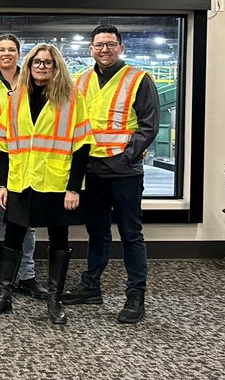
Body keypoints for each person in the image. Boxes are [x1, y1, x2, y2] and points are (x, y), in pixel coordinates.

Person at [0, 44, 93, 325]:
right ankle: (4, 296)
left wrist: (74, 188)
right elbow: (6, 146)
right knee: (13, 237)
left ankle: (54, 301)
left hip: (56, 182)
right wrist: (2, 185)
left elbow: (82, 146)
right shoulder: (16, 98)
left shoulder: (72, 98)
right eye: (37, 62)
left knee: (59, 238)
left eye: (48, 62)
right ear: (30, 65)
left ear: (56, 66)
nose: (42, 67)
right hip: (22, 181)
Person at [62, 25, 159, 324]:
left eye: (110, 44)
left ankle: (136, 294)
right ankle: (91, 286)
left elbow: (148, 125)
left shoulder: (138, 79)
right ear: (90, 48)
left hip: (124, 171)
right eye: (99, 45)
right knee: (97, 231)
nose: (104, 50)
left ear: (121, 47)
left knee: (131, 234)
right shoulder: (79, 80)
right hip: (91, 169)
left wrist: (128, 155)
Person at [0, 34, 45, 304]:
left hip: (27, 163)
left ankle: (27, 276)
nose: (6, 54)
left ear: (19, 54)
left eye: (11, 49)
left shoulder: (34, 84)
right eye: (1, 49)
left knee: (27, 223)